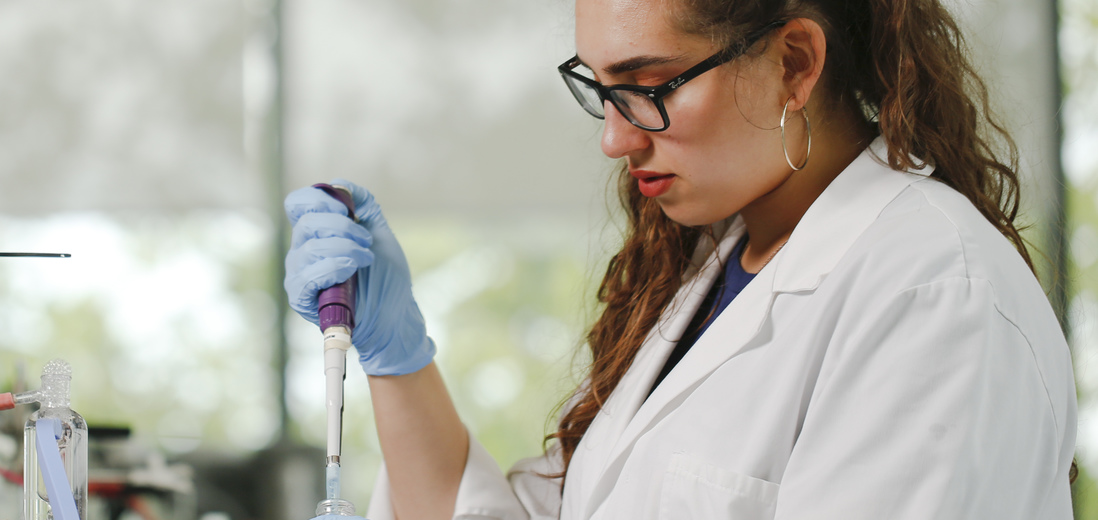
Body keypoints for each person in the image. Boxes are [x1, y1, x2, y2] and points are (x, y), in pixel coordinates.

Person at [283, 0, 1077, 518]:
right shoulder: (710, 274)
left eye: (650, 83)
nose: (614, 137)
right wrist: (396, 357)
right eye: (601, 89)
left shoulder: (933, 296)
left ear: (795, 63)